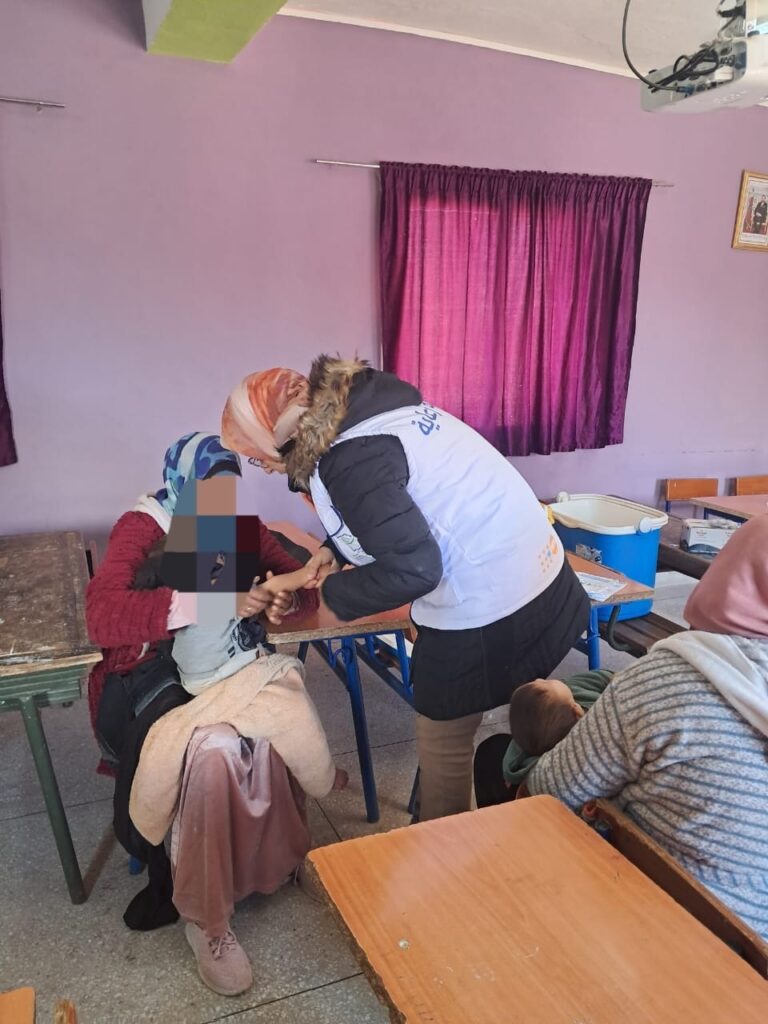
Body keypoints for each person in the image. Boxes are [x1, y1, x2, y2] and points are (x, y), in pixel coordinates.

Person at [222, 358, 590, 821]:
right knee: (523, 714)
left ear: (278, 433)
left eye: (254, 455)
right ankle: (550, 792)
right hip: (542, 575)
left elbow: (415, 568)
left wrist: (330, 595)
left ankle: (445, 839)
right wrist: (333, 550)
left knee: (444, 742)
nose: (260, 467)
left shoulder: (346, 459)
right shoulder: (371, 411)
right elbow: (392, 505)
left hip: (493, 600)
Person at [86, 433, 339, 997]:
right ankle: (204, 916)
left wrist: (280, 600)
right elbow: (102, 615)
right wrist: (211, 601)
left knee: (268, 732)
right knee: (212, 751)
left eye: (227, 496)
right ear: (181, 485)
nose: (219, 509)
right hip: (150, 670)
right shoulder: (146, 525)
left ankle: (278, 858)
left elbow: (294, 584)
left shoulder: (230, 523)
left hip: (222, 664)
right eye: (208, 497)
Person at [526, 513, 768, 941]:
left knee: (502, 764)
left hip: (649, 931)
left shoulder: (669, 679)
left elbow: (548, 792)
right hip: (751, 956)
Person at [472, 670, 612, 808]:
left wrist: (512, 771)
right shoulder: (592, 729)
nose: (539, 678)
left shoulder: (548, 725)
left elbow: (521, 745)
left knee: (490, 751)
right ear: (576, 709)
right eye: (546, 682)